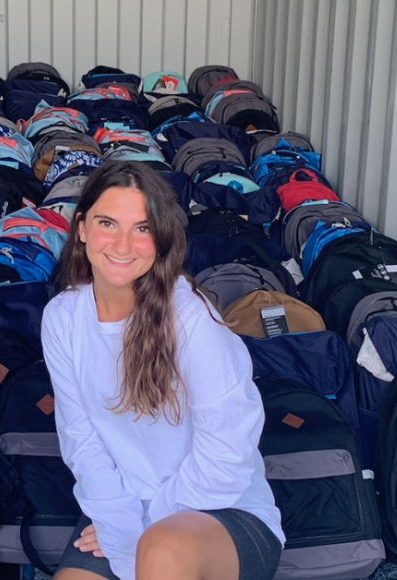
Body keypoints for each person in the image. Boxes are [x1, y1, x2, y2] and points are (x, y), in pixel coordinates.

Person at [40, 160, 284, 580]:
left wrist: (146, 523)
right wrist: (120, 526)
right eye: (107, 223)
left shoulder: (191, 319)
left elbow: (226, 457)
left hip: (218, 508)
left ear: (161, 238)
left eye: (142, 228)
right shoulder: (62, 318)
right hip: (122, 507)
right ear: (81, 228)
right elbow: (81, 443)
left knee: (162, 552)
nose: (122, 244)